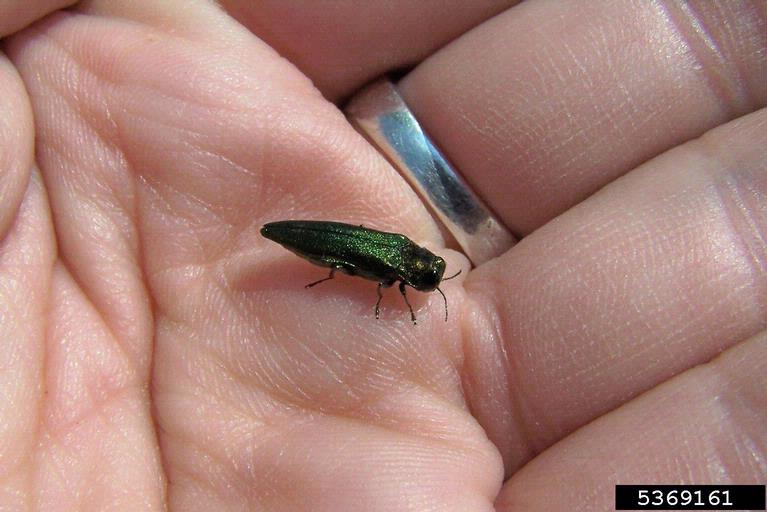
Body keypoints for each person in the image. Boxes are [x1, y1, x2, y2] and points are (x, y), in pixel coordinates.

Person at [0, 1, 764, 510]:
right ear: (415, 272)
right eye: (422, 283)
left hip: (323, 242)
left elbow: (383, 266)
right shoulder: (400, 266)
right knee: (336, 261)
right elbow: (377, 271)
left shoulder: (403, 257)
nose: (419, 286)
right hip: (318, 241)